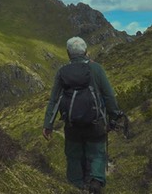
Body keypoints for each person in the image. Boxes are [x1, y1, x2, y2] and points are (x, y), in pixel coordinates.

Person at [42, 37, 123, 193]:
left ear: (68, 54)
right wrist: (114, 117)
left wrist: (48, 125)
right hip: (96, 124)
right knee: (97, 153)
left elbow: (54, 100)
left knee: (73, 156)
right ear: (86, 52)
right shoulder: (97, 69)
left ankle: (76, 186)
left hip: (72, 125)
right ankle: (96, 181)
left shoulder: (62, 72)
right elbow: (109, 96)